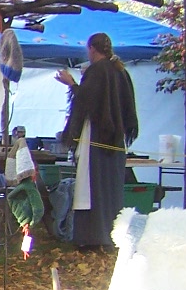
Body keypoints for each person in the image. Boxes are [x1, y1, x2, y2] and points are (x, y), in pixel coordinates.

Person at [57, 31, 138, 250]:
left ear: (92, 49)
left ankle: (93, 237)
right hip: (114, 140)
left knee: (91, 188)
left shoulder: (99, 70)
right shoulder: (120, 71)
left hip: (97, 138)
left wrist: (72, 83)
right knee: (110, 190)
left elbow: (87, 101)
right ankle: (111, 235)